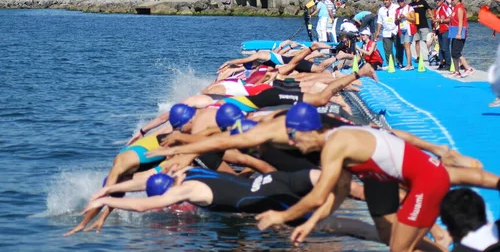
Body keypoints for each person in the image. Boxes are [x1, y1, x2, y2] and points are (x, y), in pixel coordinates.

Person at [256, 102, 500, 252]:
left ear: (308, 130)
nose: (290, 142)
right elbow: (337, 194)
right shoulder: (337, 145)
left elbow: (318, 196)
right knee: (399, 243)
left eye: (292, 135)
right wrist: (309, 223)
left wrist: (282, 215)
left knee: (398, 247)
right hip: (424, 178)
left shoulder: (336, 145)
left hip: (426, 183)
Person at [82, 166, 381, 242]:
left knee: (346, 227)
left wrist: (109, 198)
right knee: (347, 186)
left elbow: (145, 205)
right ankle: (397, 194)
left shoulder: (187, 191)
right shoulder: (184, 171)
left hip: (274, 200)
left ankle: (398, 237)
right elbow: (145, 180)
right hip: (277, 180)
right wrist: (113, 187)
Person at [449, 0, 474, 78]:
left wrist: (459, 33)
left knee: (456, 52)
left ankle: (468, 68)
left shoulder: (460, 8)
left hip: (459, 32)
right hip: (453, 31)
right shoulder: (455, 7)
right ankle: (456, 71)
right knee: (453, 52)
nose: (451, 1)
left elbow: (460, 22)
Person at [375, 0, 401, 67]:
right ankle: (390, 64)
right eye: (384, 0)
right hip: (386, 32)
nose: (385, 2)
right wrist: (377, 31)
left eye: (386, 0)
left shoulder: (396, 7)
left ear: (390, 0)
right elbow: (379, 21)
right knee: (387, 49)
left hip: (395, 30)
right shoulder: (381, 10)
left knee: (398, 48)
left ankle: (399, 62)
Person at [395, 0, 417, 71]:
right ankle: (410, 63)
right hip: (401, 29)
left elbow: (414, 19)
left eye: (401, 1)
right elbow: (395, 22)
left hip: (408, 28)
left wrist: (405, 17)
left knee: (407, 45)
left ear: (404, 0)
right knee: (405, 46)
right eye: (398, 1)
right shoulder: (397, 10)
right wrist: (398, 19)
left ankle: (408, 64)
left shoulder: (409, 8)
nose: (400, 2)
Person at [409, 0, 433, 65]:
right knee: (417, 41)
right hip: (415, 25)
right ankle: (418, 56)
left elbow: (428, 9)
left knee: (427, 40)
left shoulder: (423, 2)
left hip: (423, 24)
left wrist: (431, 16)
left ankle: (431, 54)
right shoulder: (410, 5)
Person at [432, 0, 452, 70]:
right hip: (439, 30)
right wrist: (434, 28)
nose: (437, 2)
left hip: (446, 29)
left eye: (438, 0)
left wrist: (440, 20)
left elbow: (450, 18)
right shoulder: (436, 9)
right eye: (436, 0)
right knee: (440, 48)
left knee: (445, 48)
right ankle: (442, 63)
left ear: (442, 0)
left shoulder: (445, 7)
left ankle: (448, 64)